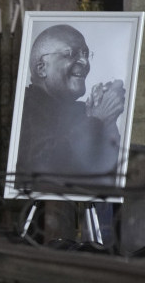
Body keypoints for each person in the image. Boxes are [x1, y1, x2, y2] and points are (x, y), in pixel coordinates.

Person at [15, 24, 126, 190]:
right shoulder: (25, 108)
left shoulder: (82, 110)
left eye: (86, 54)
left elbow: (107, 173)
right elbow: (43, 171)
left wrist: (108, 121)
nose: (85, 61)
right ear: (42, 68)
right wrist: (96, 120)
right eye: (71, 53)